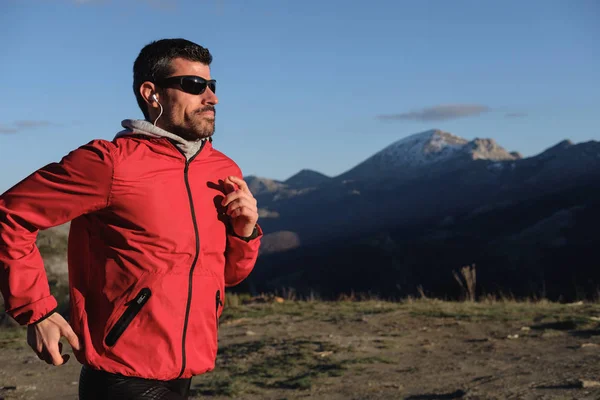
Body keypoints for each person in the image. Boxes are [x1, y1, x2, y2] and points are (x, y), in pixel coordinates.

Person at [0, 38, 262, 399]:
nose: (211, 98)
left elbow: (227, 275)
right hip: (122, 376)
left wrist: (245, 234)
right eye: (194, 85)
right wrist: (36, 312)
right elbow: (10, 214)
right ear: (151, 93)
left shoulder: (221, 171)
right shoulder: (109, 163)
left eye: (211, 86)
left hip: (188, 368)